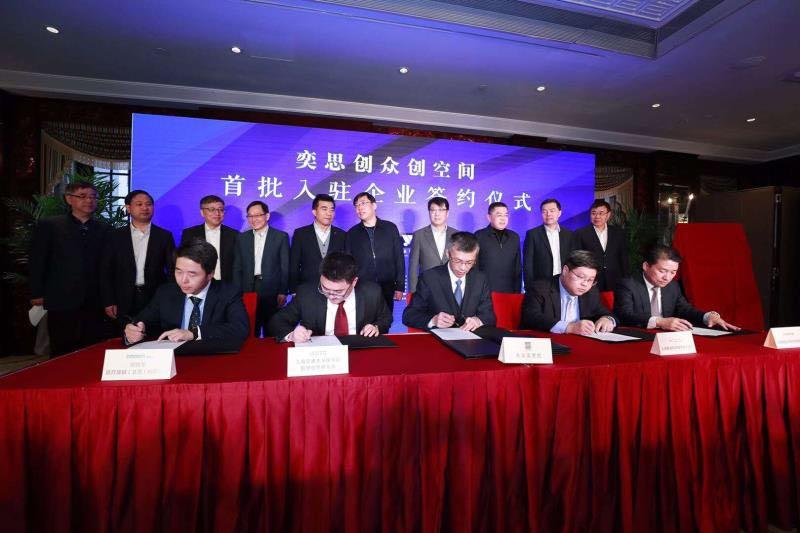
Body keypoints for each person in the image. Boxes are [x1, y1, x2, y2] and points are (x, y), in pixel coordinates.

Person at [29, 181, 110, 356]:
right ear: (69, 199)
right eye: (83, 196)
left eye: (93, 197)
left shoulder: (104, 228)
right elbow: (37, 260)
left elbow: (107, 265)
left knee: (92, 349)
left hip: (94, 299)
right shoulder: (50, 225)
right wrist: (36, 293)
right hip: (60, 297)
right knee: (61, 347)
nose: (89, 200)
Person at [124, 240, 249, 344]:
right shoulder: (166, 293)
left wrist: (193, 333)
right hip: (174, 360)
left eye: (192, 274)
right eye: (179, 271)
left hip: (212, 359)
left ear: (210, 274)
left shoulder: (228, 292)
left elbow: (240, 329)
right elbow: (140, 322)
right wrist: (133, 331)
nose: (183, 280)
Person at [269, 251, 392, 342]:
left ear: (354, 282)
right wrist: (291, 335)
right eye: (325, 289)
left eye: (338, 291)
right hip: (321, 355)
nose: (331, 296)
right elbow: (277, 321)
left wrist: (376, 327)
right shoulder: (306, 293)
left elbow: (385, 318)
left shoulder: (372, 292)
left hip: (359, 349)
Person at [614, 244, 740, 331]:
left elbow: (684, 309)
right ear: (646, 266)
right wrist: (660, 322)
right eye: (662, 271)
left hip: (668, 340)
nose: (667, 277)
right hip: (637, 338)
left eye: (673, 272)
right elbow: (625, 315)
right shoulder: (628, 284)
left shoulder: (672, 286)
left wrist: (707, 316)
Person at [100, 190, 175, 330]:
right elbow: (106, 271)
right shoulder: (114, 236)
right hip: (122, 298)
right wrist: (108, 300)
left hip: (154, 297)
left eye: (148, 204)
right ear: (128, 208)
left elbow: (172, 270)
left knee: (153, 336)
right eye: (139, 204)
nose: (145, 208)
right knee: (123, 336)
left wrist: (170, 298)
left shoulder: (164, 236)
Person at [403, 232, 495, 331]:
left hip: (471, 338)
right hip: (439, 338)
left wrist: (478, 320)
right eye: (457, 261)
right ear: (448, 254)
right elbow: (409, 315)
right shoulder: (429, 278)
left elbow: (489, 315)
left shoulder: (480, 279)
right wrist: (433, 320)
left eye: (469, 262)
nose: (463, 268)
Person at [521, 250, 617, 334]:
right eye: (581, 277)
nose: (585, 284)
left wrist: (607, 319)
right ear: (565, 270)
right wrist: (569, 327)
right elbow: (530, 317)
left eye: (590, 280)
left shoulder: (591, 292)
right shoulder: (540, 288)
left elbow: (607, 313)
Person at [232, 201, 289, 337]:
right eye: (250, 216)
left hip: (272, 291)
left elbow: (285, 266)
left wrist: (283, 291)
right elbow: (237, 267)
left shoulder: (280, 237)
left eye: (258, 215)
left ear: (267, 216)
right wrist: (236, 292)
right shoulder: (242, 238)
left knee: (272, 331)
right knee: (250, 330)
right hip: (247, 290)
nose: (254, 219)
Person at [345, 192, 405, 311]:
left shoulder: (390, 228)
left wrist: (400, 286)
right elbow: (349, 263)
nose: (359, 208)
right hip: (362, 287)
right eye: (356, 205)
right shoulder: (352, 233)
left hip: (387, 286)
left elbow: (399, 257)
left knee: (386, 319)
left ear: (374, 205)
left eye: (363, 203)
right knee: (364, 320)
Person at [288, 194, 346, 292]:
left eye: (331, 210)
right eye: (324, 209)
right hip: (307, 288)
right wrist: (293, 290)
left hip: (334, 290)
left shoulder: (342, 235)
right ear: (314, 212)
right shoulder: (301, 234)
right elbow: (294, 264)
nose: (329, 213)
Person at [180, 195, 238, 283]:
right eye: (212, 209)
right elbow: (183, 261)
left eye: (221, 209)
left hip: (226, 284)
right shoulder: (190, 234)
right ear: (202, 212)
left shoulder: (234, 234)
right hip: (198, 283)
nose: (217, 213)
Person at [574, 199, 629, 292]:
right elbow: (578, 259)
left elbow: (623, 257)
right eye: (594, 213)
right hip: (591, 281)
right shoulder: (581, 233)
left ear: (608, 215)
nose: (597, 216)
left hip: (615, 279)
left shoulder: (618, 233)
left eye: (601, 213)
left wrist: (626, 279)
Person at [408, 197, 458, 293]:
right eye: (433, 210)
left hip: (452, 288)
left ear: (447, 213)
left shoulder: (456, 235)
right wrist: (413, 292)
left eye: (441, 210)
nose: (437, 214)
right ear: (429, 213)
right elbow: (413, 267)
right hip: (427, 288)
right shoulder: (419, 235)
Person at [523, 198, 575, 289]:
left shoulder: (569, 234)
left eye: (552, 211)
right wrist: (529, 287)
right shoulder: (532, 234)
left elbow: (573, 259)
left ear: (559, 213)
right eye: (544, 211)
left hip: (564, 282)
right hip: (541, 284)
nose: (548, 214)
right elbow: (528, 264)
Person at [474, 202, 521, 293]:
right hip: (485, 291)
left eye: (506, 215)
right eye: (499, 215)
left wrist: (517, 291)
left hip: (509, 291)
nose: (503, 218)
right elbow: (475, 266)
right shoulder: (479, 236)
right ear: (489, 217)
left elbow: (517, 267)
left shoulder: (514, 237)